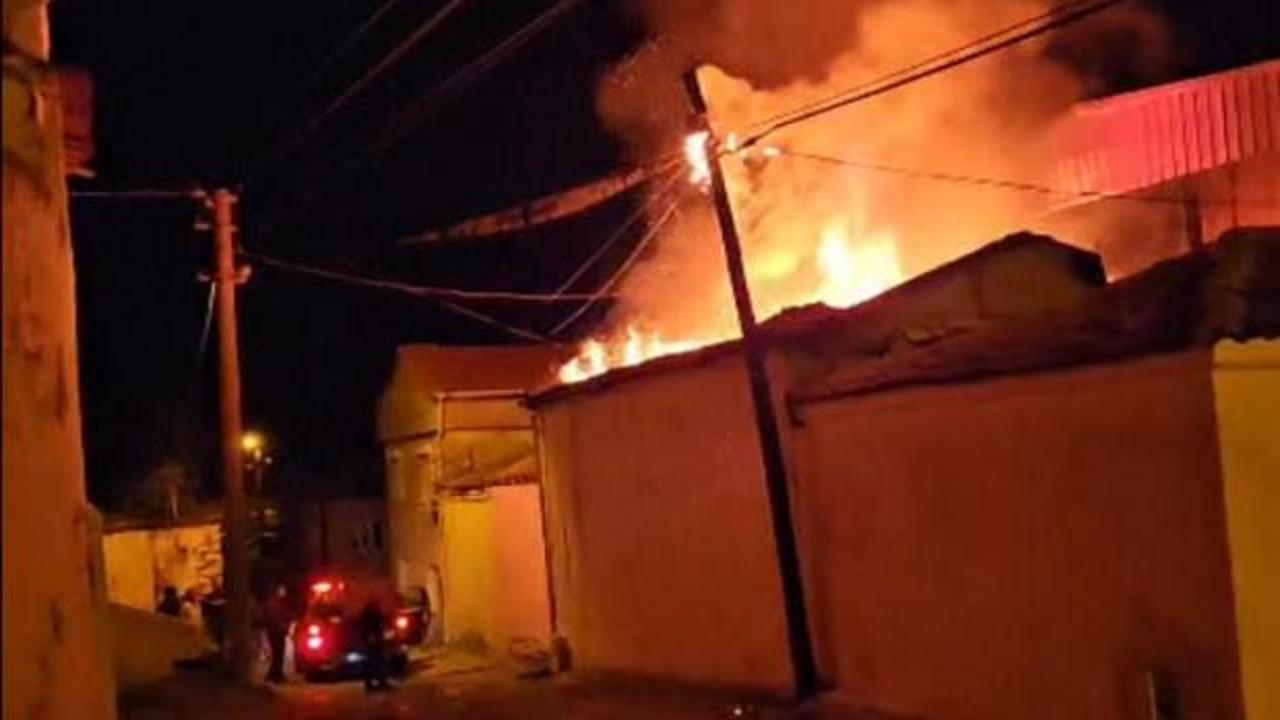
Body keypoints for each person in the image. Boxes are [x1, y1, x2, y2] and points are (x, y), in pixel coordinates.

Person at [358, 598, 391, 692]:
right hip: (374, 641)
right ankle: (379, 683)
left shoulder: (368, 615)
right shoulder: (372, 616)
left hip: (372, 641)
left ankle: (373, 684)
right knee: (377, 661)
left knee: (373, 662)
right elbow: (375, 627)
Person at [263, 583, 293, 684]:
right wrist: (283, 627)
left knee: (279, 654)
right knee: (277, 654)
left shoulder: (279, 603)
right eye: (282, 589)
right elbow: (274, 618)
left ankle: (276, 674)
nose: (284, 592)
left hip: (279, 632)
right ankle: (274, 675)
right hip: (275, 632)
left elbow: (285, 614)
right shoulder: (273, 603)